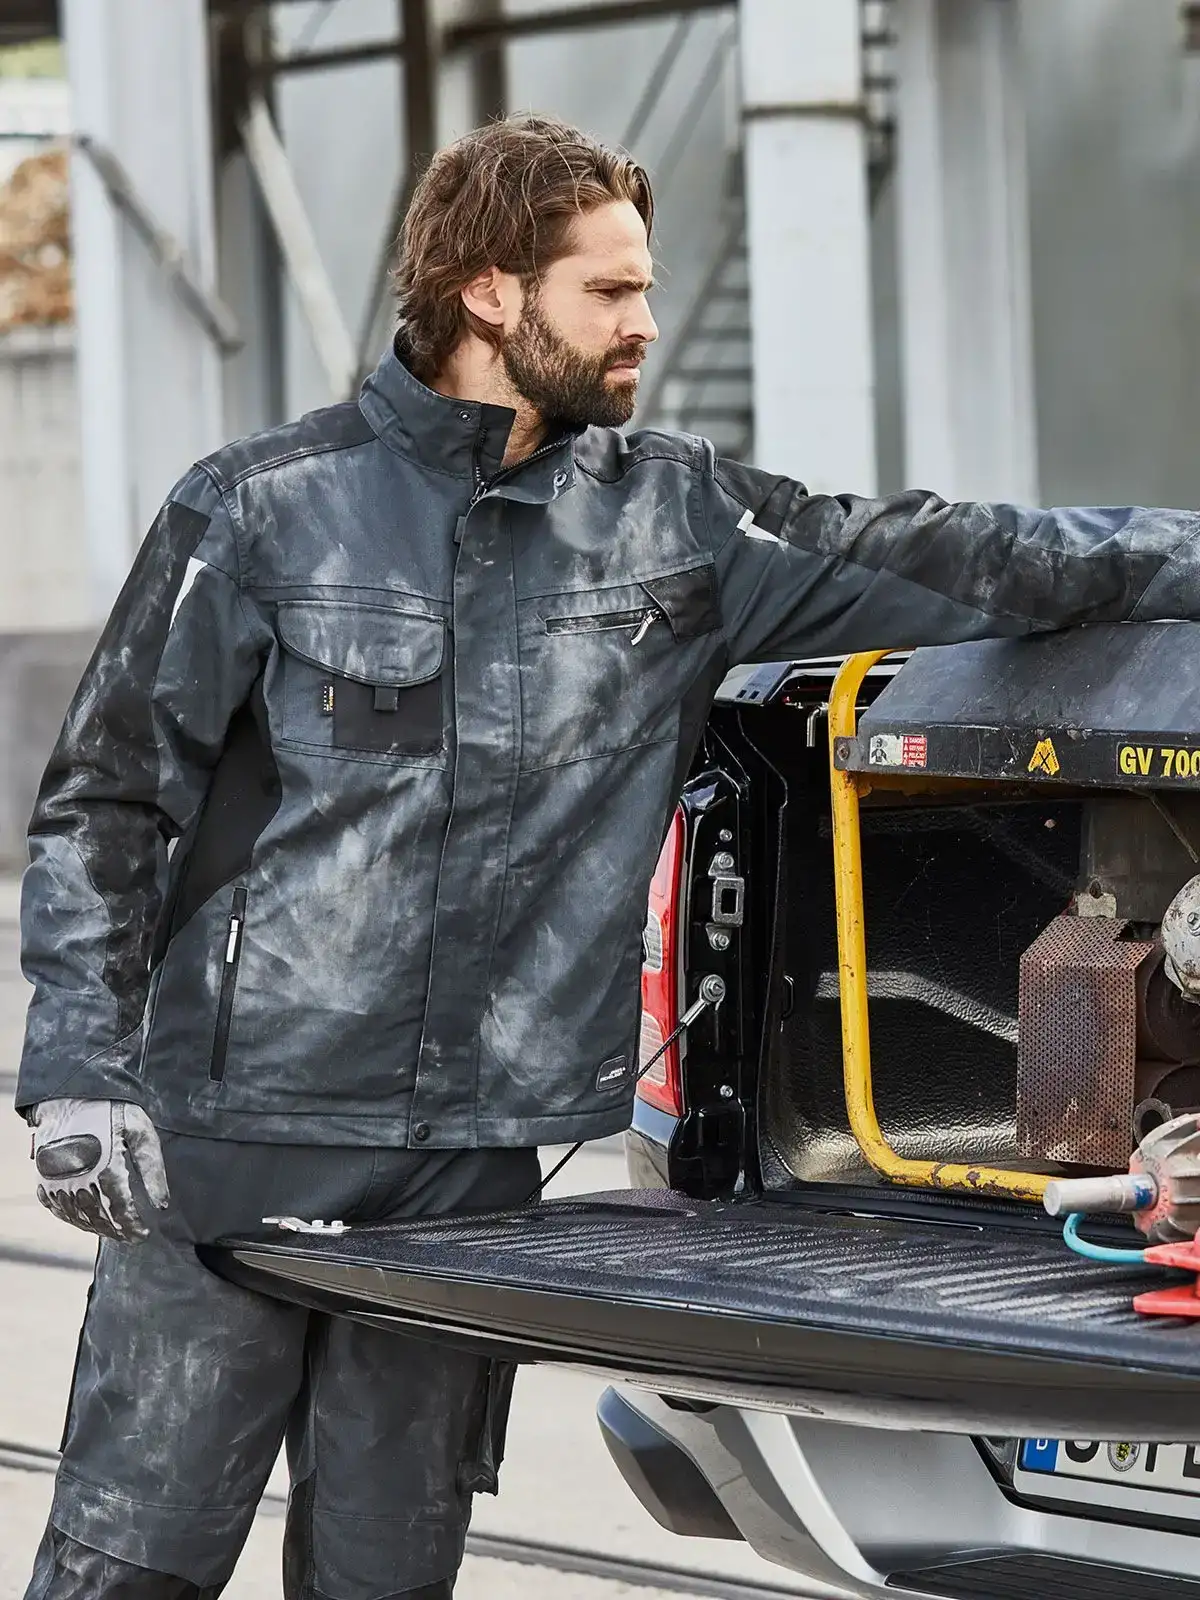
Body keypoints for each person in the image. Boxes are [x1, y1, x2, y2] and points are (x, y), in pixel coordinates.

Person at [15, 111, 1200, 1599]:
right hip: (227, 1140)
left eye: (646, 288)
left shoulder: (678, 520)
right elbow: (110, 800)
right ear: (489, 294)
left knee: (389, 1573)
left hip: (468, 1174)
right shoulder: (260, 510)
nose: (644, 321)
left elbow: (968, 555)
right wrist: (78, 1072)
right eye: (610, 291)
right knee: (133, 1563)